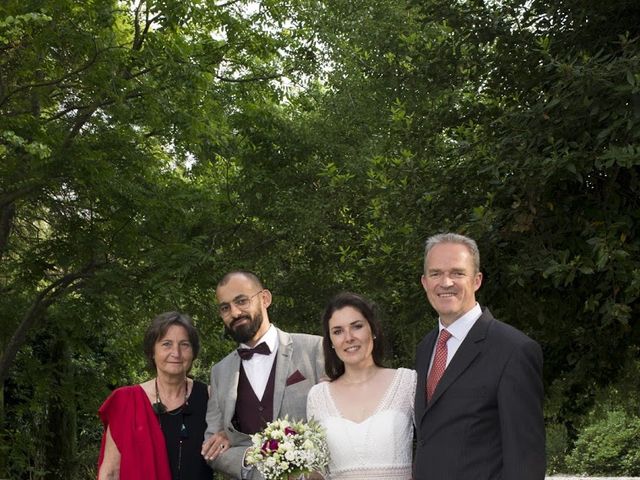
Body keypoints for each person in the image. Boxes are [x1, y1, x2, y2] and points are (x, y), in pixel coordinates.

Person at [414, 233, 545, 480]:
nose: (446, 282)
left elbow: (526, 460)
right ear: (424, 282)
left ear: (477, 280)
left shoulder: (514, 350)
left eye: (457, 273)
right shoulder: (425, 348)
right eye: (436, 273)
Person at [201, 271, 325, 479]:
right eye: (225, 308)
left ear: (265, 298)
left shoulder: (314, 349)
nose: (235, 312)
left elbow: (340, 423)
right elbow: (211, 450)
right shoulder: (219, 372)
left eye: (241, 301)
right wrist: (250, 456)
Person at [307, 292, 416, 480]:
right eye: (338, 331)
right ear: (331, 341)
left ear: (373, 330)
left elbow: (434, 447)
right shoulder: (318, 396)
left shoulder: (407, 382)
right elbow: (317, 471)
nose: (348, 338)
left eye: (356, 326)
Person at [97, 311, 213, 480]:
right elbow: (110, 473)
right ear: (152, 351)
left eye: (184, 344)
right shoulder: (125, 402)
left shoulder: (211, 397)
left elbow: (234, 446)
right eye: (166, 344)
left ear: (193, 352)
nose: (176, 353)